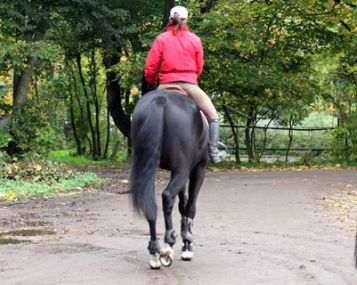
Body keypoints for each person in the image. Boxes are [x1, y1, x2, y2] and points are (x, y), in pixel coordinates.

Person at [144, 5, 228, 163]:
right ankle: (215, 152)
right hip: (189, 85)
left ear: (170, 19)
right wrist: (190, 78)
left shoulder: (161, 39)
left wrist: (150, 81)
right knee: (213, 115)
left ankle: (142, 149)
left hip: (165, 85)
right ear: (186, 20)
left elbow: (150, 67)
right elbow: (199, 66)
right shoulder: (195, 40)